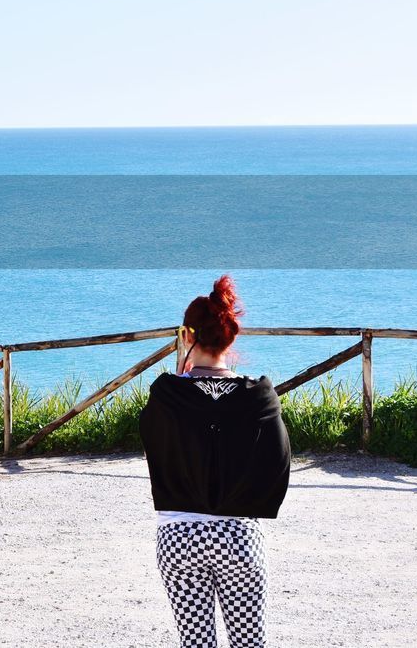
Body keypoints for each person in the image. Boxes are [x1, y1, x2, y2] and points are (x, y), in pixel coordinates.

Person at [139, 276, 291, 648]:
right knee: (249, 643)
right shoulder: (260, 396)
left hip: (179, 536)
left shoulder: (166, 395)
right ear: (230, 338)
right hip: (238, 534)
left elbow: (154, 444)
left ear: (187, 335)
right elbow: (279, 460)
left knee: (196, 643)